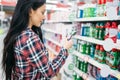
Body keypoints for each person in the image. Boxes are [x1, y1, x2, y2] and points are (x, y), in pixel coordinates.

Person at [2, 0, 73, 80]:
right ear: (30, 11)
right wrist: (65, 49)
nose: (44, 17)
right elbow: (49, 72)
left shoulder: (20, 33)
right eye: (42, 12)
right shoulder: (29, 38)